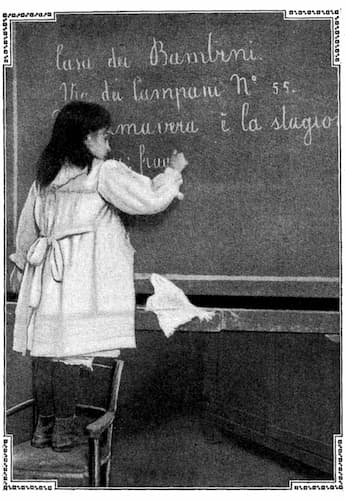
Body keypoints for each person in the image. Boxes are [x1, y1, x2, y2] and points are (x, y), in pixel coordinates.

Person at [9, 100, 188, 452]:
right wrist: (173, 172)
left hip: (46, 276)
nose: (109, 138)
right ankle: (63, 429)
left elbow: (26, 232)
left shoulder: (47, 176)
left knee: (44, 352)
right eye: (103, 133)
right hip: (80, 278)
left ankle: (43, 428)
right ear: (86, 137)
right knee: (69, 352)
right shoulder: (103, 172)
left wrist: (22, 267)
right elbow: (148, 199)